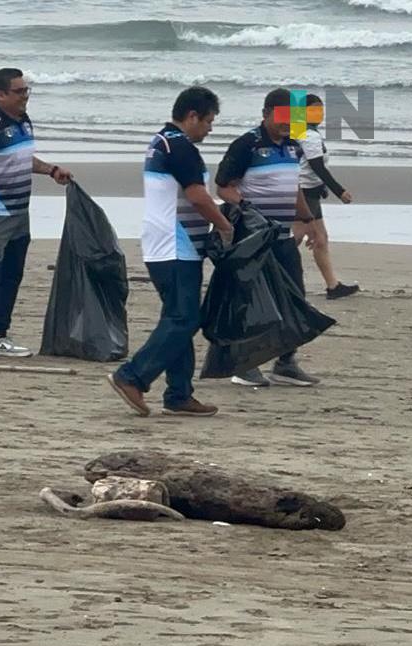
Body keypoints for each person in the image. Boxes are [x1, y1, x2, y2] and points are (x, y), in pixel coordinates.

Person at [107, 87, 234, 418]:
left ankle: (179, 393)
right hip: (176, 246)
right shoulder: (180, 147)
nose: (210, 128)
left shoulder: (160, 142)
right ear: (191, 116)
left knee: (176, 317)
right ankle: (132, 376)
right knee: (184, 318)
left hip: (162, 242)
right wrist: (224, 226)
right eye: (208, 121)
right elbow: (198, 197)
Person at [216, 88, 321, 388]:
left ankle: (286, 363)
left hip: (284, 236)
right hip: (254, 239)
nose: (289, 122)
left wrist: (308, 220)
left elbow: (293, 186)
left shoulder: (293, 146)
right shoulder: (247, 144)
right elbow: (223, 188)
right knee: (253, 302)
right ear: (266, 113)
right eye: (283, 115)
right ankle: (244, 365)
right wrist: (246, 210)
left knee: (294, 296)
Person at [0, 67, 72, 360]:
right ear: (0, 95)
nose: (25, 96)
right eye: (19, 91)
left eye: (27, 90)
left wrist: (51, 170)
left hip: (20, 213)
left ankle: (0, 334)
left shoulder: (24, 122)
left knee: (12, 273)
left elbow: (24, 158)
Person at [293, 93, 359, 300]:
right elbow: (317, 167)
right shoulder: (309, 135)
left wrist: (322, 188)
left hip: (310, 190)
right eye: (313, 109)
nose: (319, 113)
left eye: (321, 109)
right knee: (295, 238)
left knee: (320, 238)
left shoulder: (301, 130)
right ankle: (262, 273)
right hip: (303, 193)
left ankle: (333, 286)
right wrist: (339, 191)